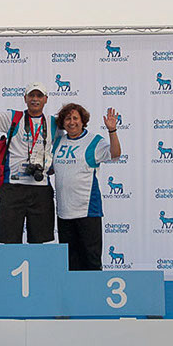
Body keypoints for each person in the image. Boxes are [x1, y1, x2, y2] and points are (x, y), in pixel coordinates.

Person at [0, 70, 57, 244]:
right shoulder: (13, 118)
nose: (35, 99)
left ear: (46, 99)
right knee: (9, 242)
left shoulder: (54, 123)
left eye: (39, 95)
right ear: (25, 98)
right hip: (13, 189)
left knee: (39, 245)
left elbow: (76, 129)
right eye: (31, 95)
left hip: (41, 189)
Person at [52, 104, 121, 270]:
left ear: (83, 121)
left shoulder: (94, 141)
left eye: (75, 118)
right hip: (64, 213)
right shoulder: (58, 142)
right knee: (70, 263)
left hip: (87, 211)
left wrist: (112, 131)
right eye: (68, 119)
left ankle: (94, 288)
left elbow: (115, 154)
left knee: (91, 261)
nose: (71, 122)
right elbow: (50, 169)